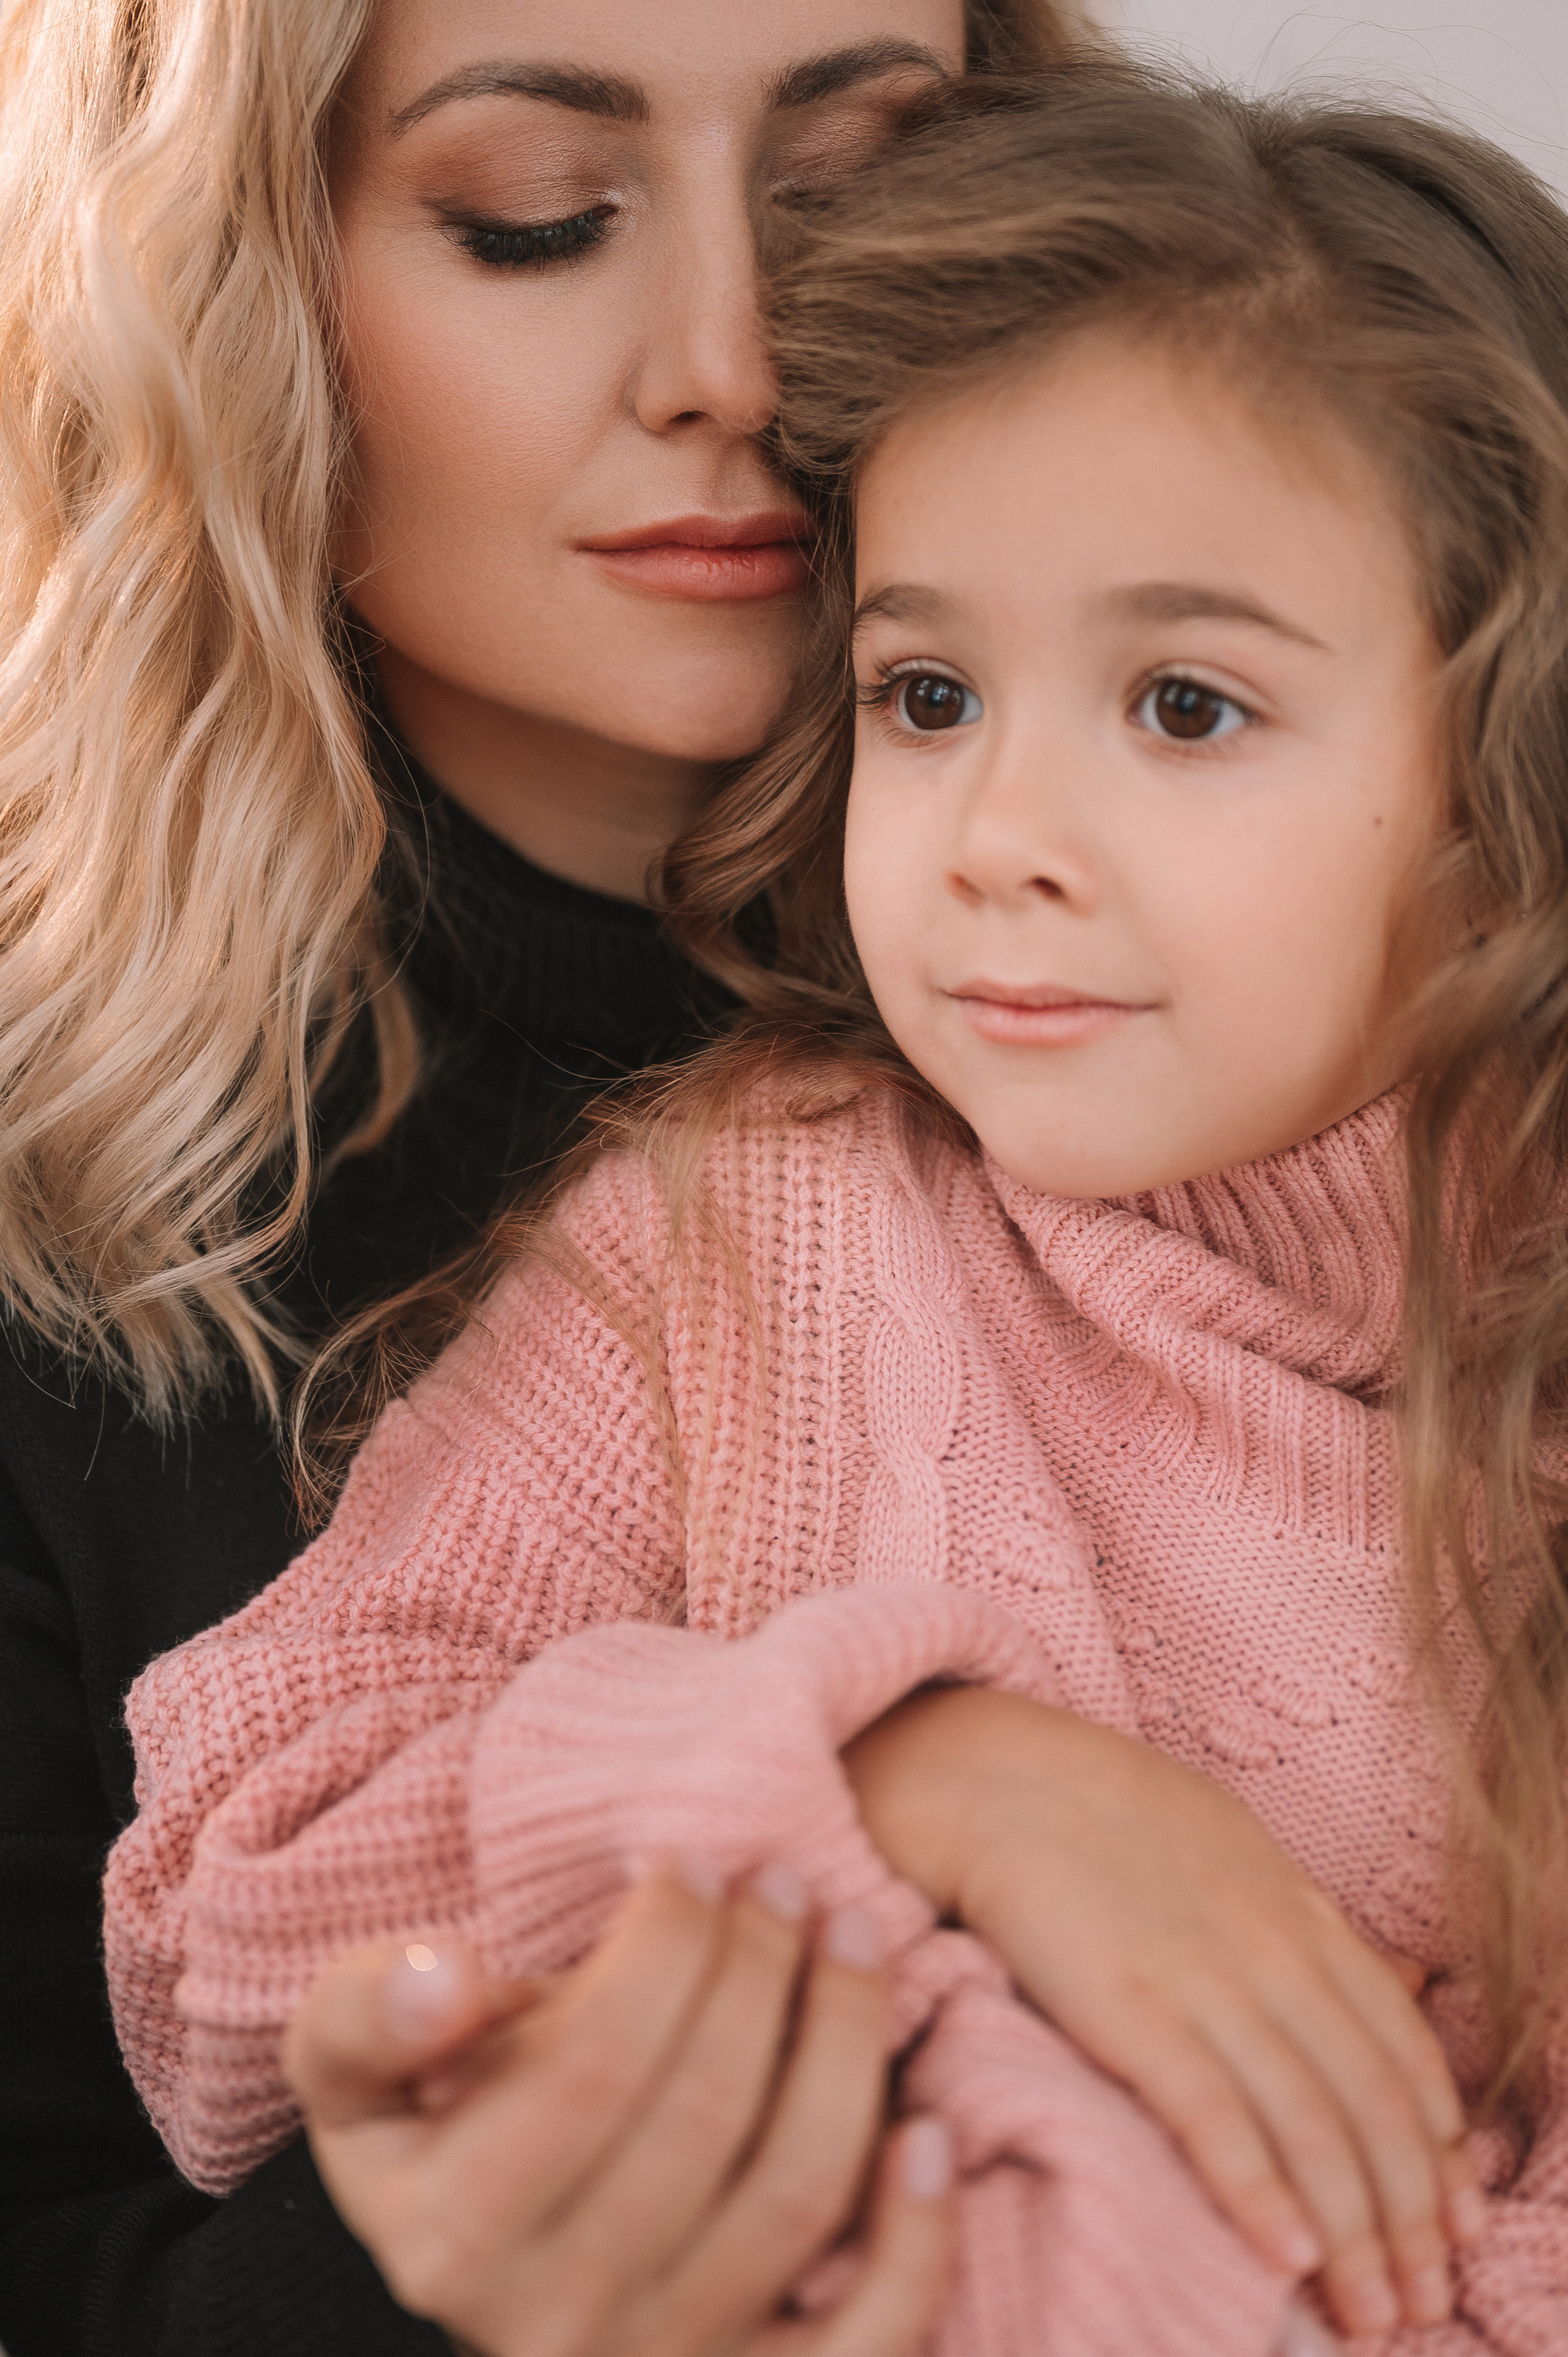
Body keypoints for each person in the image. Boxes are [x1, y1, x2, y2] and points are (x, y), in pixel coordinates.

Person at [100, 60, 1568, 2355]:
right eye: (927, 689)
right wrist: (888, 1767)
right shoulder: (744, 1248)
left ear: (1507, 787)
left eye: (1184, 703)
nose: (994, 829)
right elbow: (227, 1912)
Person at [0, 4, 1087, 2354]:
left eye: (858, 180)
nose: (735, 358)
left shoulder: (1371, 1006)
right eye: (538, 224)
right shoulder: (47, 1213)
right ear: (218, 293)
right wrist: (419, 2285)